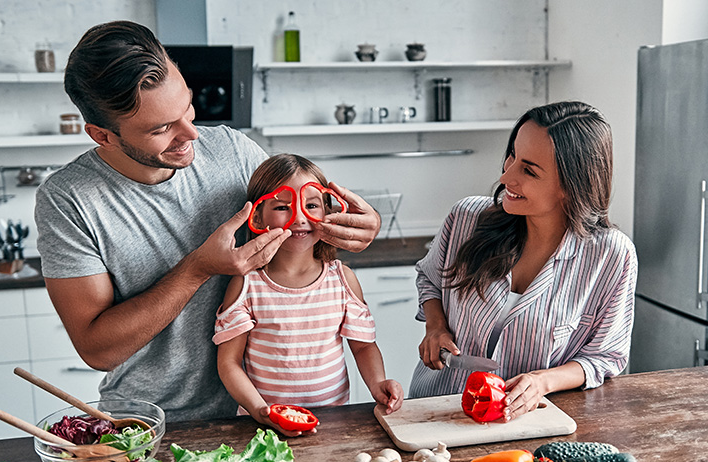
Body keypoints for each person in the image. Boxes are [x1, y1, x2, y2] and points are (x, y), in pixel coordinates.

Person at [34, 21, 381, 422]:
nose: (191, 135)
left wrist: (353, 225)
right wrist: (198, 268)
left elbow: (296, 215)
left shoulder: (233, 150)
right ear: (103, 135)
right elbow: (98, 350)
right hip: (153, 422)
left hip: (257, 415)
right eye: (162, 128)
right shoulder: (68, 200)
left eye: (187, 108)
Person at [409, 101, 637, 422]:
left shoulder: (611, 256)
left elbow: (604, 357)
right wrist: (435, 327)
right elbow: (430, 279)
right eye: (512, 156)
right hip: (435, 410)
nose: (505, 176)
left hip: (529, 421)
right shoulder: (466, 218)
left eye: (528, 170)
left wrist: (542, 381)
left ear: (571, 187)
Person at [214, 154, 403, 435]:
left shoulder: (342, 279)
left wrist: (377, 383)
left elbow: (362, 346)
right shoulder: (246, 284)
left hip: (332, 424)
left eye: (312, 205)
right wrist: (259, 410)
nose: (300, 217)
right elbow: (229, 362)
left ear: (327, 213)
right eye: (282, 206)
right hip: (263, 427)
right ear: (256, 216)